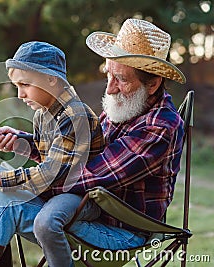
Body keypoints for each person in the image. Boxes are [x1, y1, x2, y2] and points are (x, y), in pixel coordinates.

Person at [33, 18, 187, 266]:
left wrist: (25, 180)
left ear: (154, 84)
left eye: (122, 79)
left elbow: (91, 175)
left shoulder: (160, 126)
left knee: (12, 204)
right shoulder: (123, 108)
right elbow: (84, 150)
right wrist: (29, 145)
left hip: (124, 231)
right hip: (94, 211)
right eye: (109, 75)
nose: (111, 89)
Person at [0, 41, 104, 266]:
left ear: (51, 79)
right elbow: (48, 151)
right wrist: (18, 142)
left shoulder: (75, 114)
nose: (20, 94)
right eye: (16, 85)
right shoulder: (43, 112)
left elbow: (51, 173)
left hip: (77, 201)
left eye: (25, 84)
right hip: (53, 193)